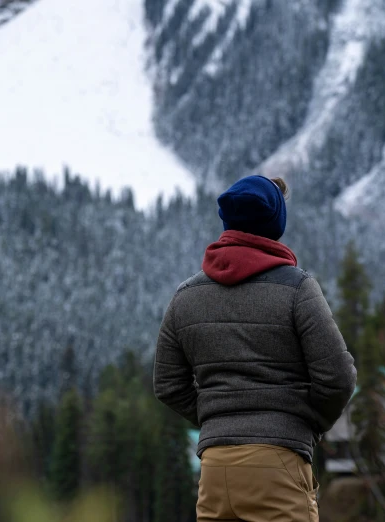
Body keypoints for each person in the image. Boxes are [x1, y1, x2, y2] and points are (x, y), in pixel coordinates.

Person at [153, 175, 356, 522]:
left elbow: (168, 385)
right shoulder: (298, 289)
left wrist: (219, 417)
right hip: (278, 465)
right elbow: (338, 378)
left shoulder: (185, 297)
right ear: (276, 225)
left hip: (215, 470)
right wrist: (305, 423)